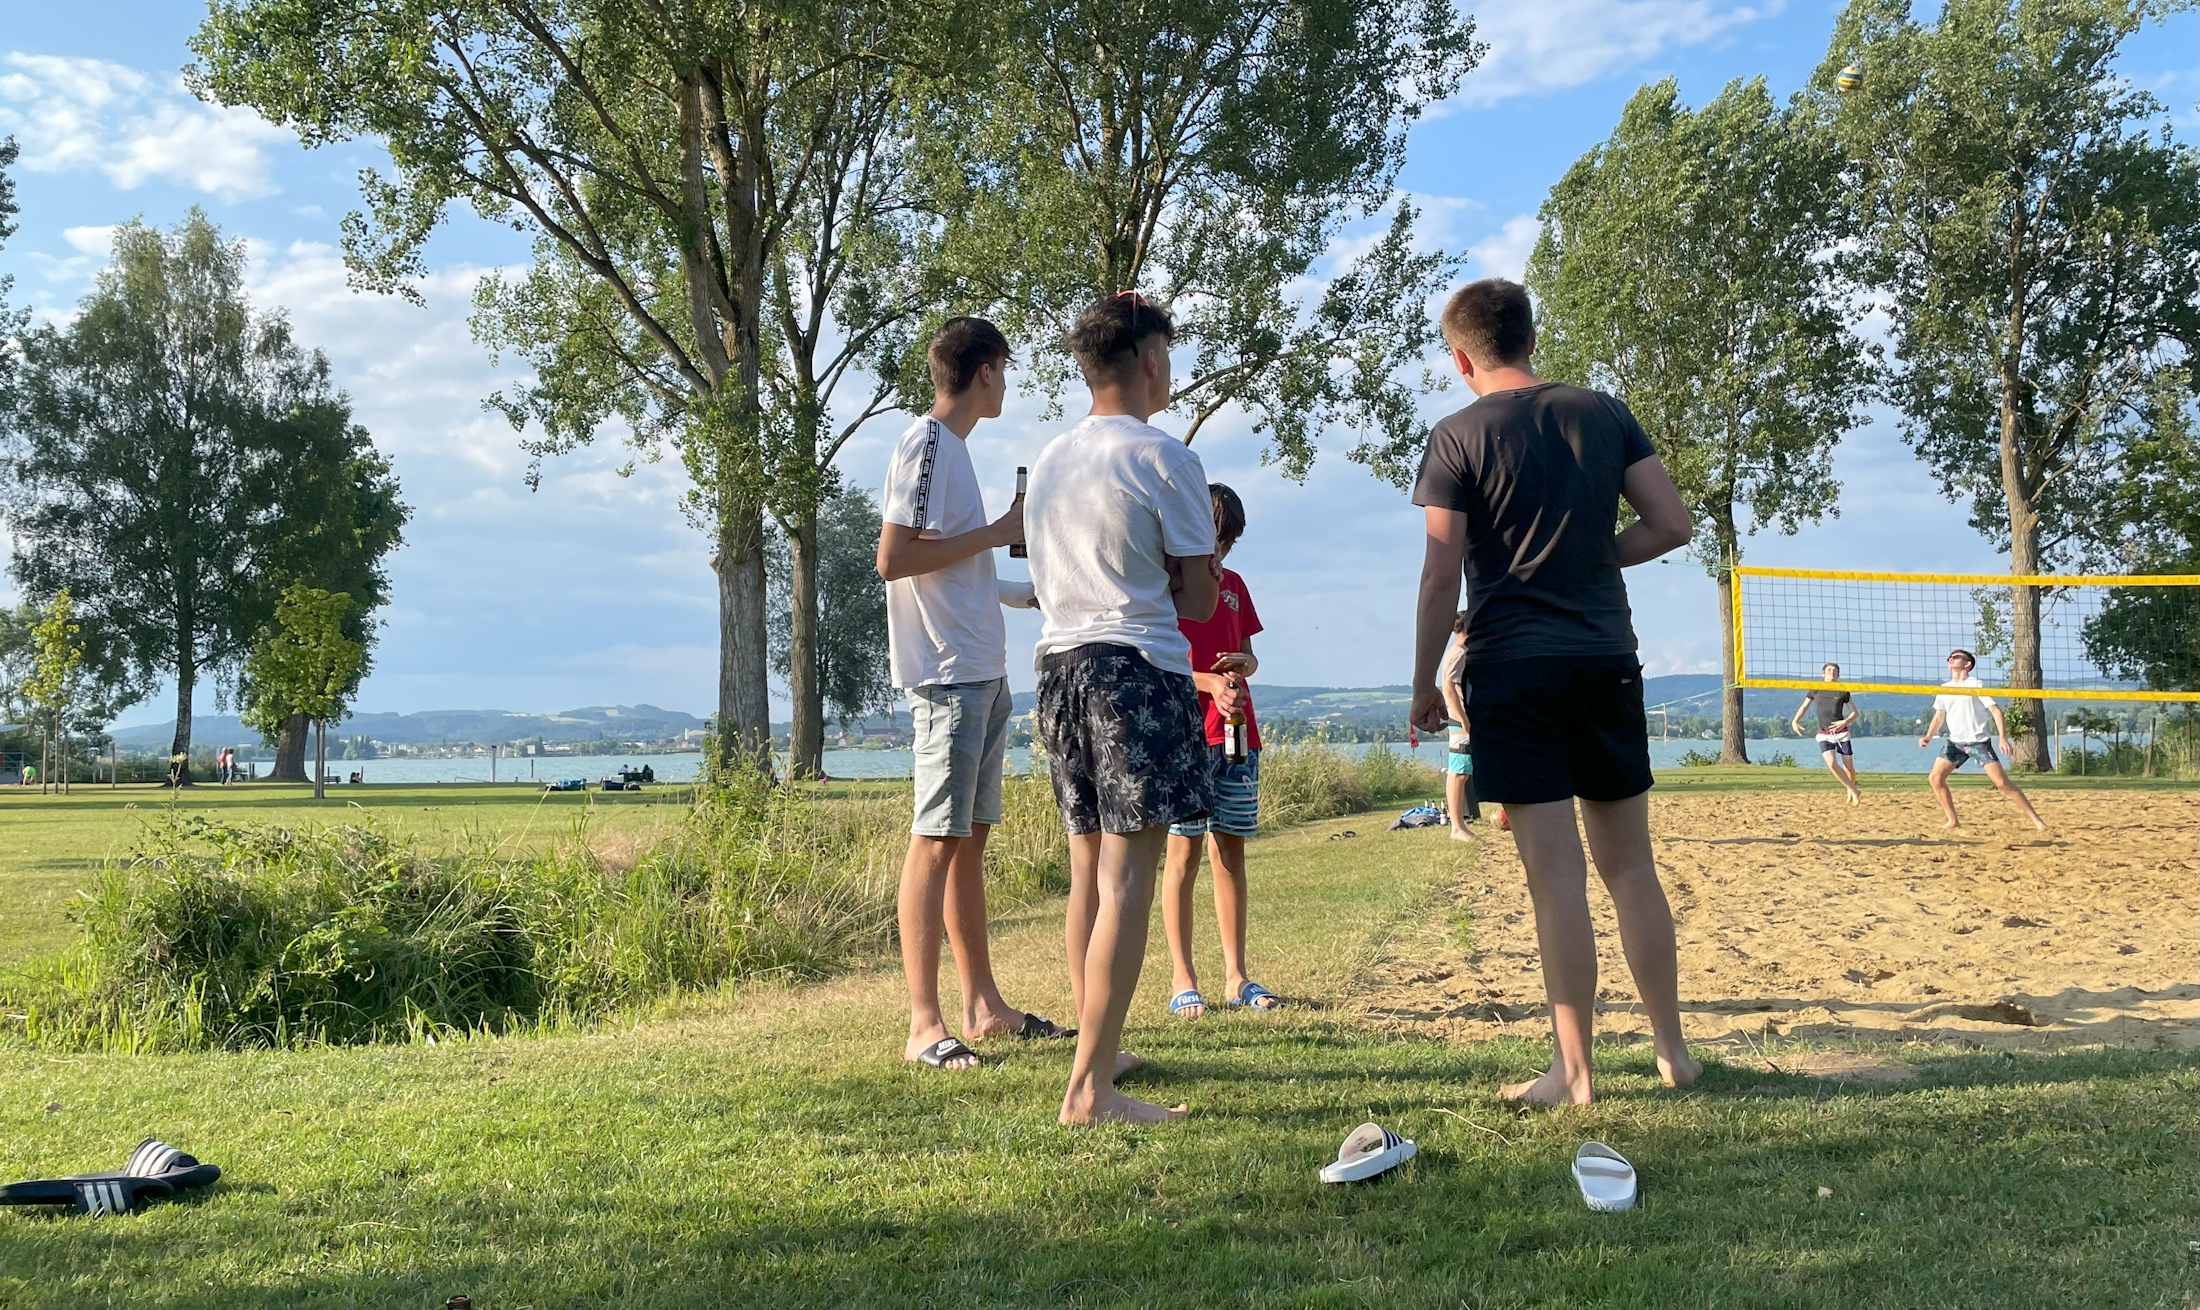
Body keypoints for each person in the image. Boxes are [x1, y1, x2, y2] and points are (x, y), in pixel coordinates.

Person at [1408, 278, 1701, 1106]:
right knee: (1631, 867)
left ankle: (1573, 1073)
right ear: (1532, 337)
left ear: (1462, 358)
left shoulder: (1457, 434)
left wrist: (1425, 680)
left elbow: (1439, 576)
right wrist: (1591, 556)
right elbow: (1672, 525)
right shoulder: (1603, 412)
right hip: (1605, 654)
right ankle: (1674, 1052)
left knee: (1556, 879)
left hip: (1513, 666)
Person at [1027, 291, 1218, 1125]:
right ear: (1147, 359)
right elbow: (1204, 599)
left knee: (1088, 874)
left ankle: (1096, 1053)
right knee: (1128, 881)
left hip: (1059, 670)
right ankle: (1090, 1089)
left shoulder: (1052, 461)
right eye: (1166, 354)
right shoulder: (1164, 458)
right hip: (1134, 669)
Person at [875, 315, 1064, 1073]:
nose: (1008, 383)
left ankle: (983, 1008)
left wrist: (1031, 591)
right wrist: (996, 532)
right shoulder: (924, 444)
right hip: (948, 679)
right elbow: (895, 558)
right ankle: (926, 1025)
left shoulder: (952, 452)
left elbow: (954, 569)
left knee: (967, 847)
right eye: (1006, 370)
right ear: (986, 370)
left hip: (983, 676)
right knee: (935, 844)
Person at [1160, 482, 1280, 1020]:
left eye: (1228, 541)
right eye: (1214, 537)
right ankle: (1183, 977)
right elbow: (1156, 668)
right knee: (1182, 852)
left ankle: (1236, 975)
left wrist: (1241, 666)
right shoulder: (1164, 589)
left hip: (1236, 732)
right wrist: (1207, 682)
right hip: (1185, 733)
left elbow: (1250, 657)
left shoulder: (1234, 585)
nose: (1220, 551)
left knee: (1230, 850)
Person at [1918, 649, 2046, 831]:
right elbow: (1939, 716)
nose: (1950, 660)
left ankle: (2036, 820)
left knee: (2002, 783)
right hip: (1955, 743)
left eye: (1955, 657)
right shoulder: (1944, 689)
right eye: (1949, 658)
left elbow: (1995, 710)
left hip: (1978, 742)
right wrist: (1928, 736)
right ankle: (1952, 820)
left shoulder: (1976, 684)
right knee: (1935, 778)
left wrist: (2002, 738)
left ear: (1967, 664)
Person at [1791, 663, 1861, 803]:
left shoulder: (1843, 691)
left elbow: (1855, 713)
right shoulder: (1816, 689)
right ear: (1823, 674)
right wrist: (1795, 721)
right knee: (1832, 764)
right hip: (1824, 734)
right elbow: (1805, 706)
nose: (1832, 672)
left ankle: (1850, 790)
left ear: (1838, 675)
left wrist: (1845, 722)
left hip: (1841, 733)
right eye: (1829, 670)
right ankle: (1853, 789)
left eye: (1835, 671)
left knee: (1849, 768)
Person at [1438, 612, 1480, 842]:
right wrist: (1464, 719)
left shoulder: (1458, 653)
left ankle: (1459, 825)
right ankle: (1457, 827)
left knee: (1463, 771)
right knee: (1459, 772)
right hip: (1460, 720)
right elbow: (1449, 688)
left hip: (1462, 718)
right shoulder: (1459, 654)